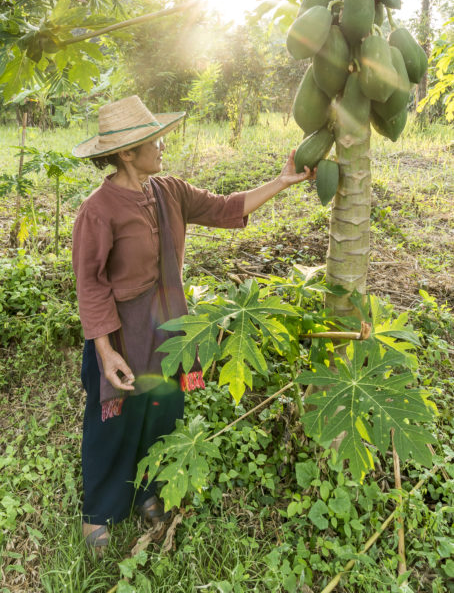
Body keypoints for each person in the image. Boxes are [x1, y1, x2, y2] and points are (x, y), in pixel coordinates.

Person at [71, 95, 314, 552]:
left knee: (160, 410)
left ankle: (149, 491)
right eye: (154, 141)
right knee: (113, 421)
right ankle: (99, 511)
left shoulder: (169, 191)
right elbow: (90, 283)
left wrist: (283, 181)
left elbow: (225, 207)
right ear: (127, 153)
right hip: (121, 331)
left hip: (168, 325)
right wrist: (104, 350)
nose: (162, 146)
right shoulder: (98, 210)